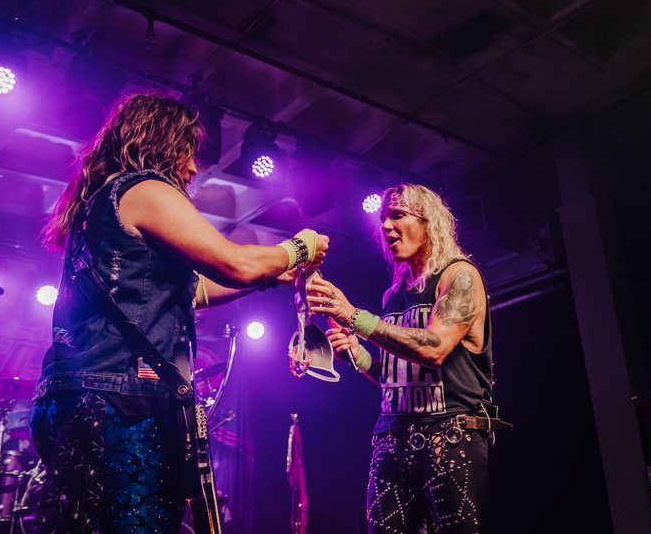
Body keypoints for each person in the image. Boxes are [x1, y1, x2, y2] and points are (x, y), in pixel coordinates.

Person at [29, 93, 329, 533]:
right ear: (162, 143)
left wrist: (270, 276)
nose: (192, 168)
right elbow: (235, 262)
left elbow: (195, 290)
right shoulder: (144, 189)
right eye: (187, 152)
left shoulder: (100, 205)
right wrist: (299, 247)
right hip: (120, 402)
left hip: (79, 395)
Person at [307, 183, 507, 534]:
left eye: (398, 215)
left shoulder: (459, 276)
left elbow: (434, 347)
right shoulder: (393, 295)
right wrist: (357, 354)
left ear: (428, 222)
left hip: (450, 436)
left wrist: (355, 317)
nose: (386, 226)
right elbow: (393, 376)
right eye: (383, 218)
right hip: (392, 438)